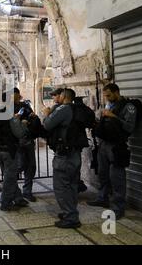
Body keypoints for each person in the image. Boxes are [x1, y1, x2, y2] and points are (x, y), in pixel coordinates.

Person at [87, 83, 137, 220]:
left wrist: (114, 117)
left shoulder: (129, 107)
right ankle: (102, 198)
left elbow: (129, 127)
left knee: (117, 178)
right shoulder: (110, 105)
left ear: (116, 92)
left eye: (109, 95)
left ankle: (118, 207)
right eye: (105, 96)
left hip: (117, 146)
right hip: (104, 144)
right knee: (103, 173)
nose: (107, 98)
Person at [0, 90, 29, 211]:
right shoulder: (8, 113)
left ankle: (18, 197)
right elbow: (18, 132)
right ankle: (5, 202)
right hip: (9, 149)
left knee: (9, 175)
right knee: (10, 176)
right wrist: (22, 123)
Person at [43, 88, 82, 229]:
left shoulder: (63, 109)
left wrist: (47, 114)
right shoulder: (77, 108)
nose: (55, 97)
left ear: (64, 96)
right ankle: (70, 212)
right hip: (75, 153)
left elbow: (47, 125)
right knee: (71, 185)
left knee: (61, 186)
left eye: (57, 95)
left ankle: (70, 216)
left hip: (64, 156)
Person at [13, 88, 40, 202]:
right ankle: (14, 192)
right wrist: (16, 120)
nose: (16, 97)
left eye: (17, 95)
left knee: (31, 166)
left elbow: (33, 117)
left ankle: (27, 191)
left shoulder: (25, 106)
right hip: (16, 142)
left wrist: (32, 118)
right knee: (19, 166)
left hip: (28, 139)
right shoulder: (6, 108)